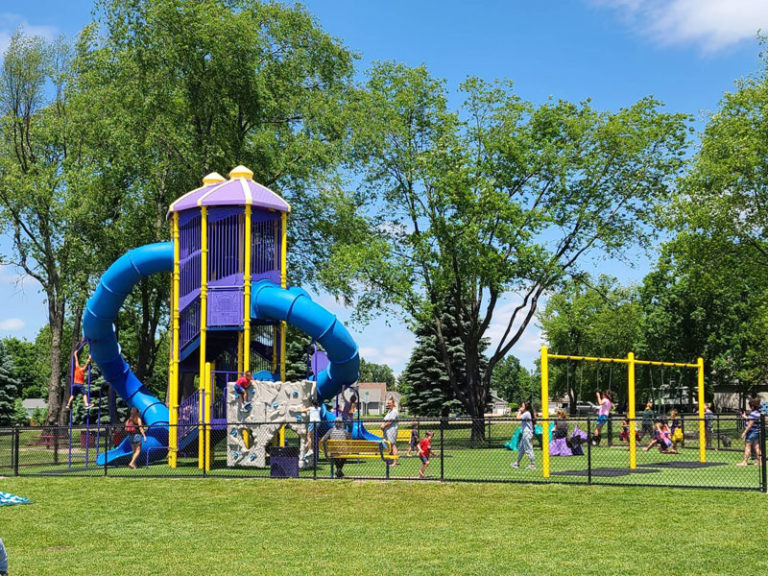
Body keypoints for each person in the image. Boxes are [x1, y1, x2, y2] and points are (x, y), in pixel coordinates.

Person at [737, 398, 763, 466]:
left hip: (751, 433)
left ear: (753, 406)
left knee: (747, 446)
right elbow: (752, 420)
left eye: (750, 406)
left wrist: (744, 433)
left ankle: (744, 462)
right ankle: (760, 462)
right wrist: (745, 417)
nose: (750, 407)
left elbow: (750, 425)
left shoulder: (753, 414)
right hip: (756, 432)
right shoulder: (758, 413)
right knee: (757, 447)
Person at [512, 401, 535, 470]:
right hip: (525, 433)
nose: (521, 407)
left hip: (527, 433)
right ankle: (517, 463)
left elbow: (518, 418)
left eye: (522, 406)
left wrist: (519, 411)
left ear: (526, 407)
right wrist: (519, 412)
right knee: (521, 449)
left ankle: (532, 464)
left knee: (528, 449)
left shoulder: (527, 413)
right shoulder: (526, 413)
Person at [381, 396, 399, 463]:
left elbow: (390, 421)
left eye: (389, 403)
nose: (388, 404)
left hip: (392, 431)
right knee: (389, 445)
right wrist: (383, 426)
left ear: (393, 403)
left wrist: (384, 425)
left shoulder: (394, 411)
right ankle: (391, 460)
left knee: (393, 445)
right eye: (388, 403)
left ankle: (395, 462)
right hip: (387, 430)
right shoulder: (389, 411)